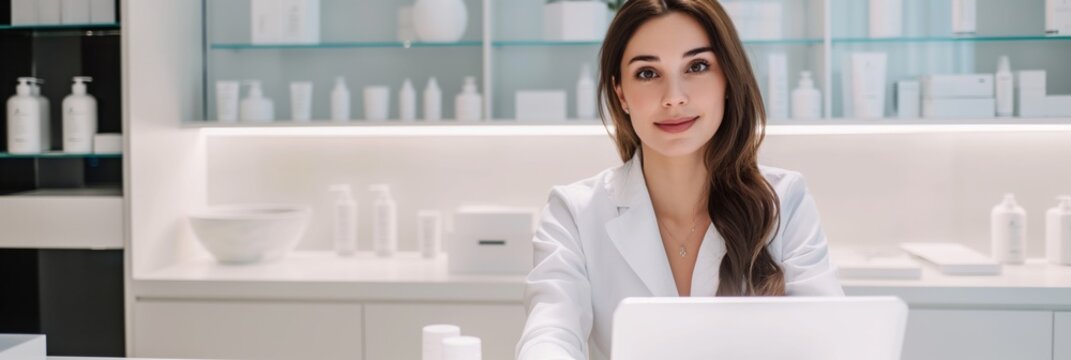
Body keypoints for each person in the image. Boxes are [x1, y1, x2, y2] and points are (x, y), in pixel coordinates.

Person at [515, 1, 844, 359]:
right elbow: (550, 333)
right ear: (621, 94)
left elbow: (829, 339)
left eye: (697, 66)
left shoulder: (784, 201)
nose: (673, 98)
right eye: (647, 73)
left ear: (728, 80)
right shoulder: (574, 213)